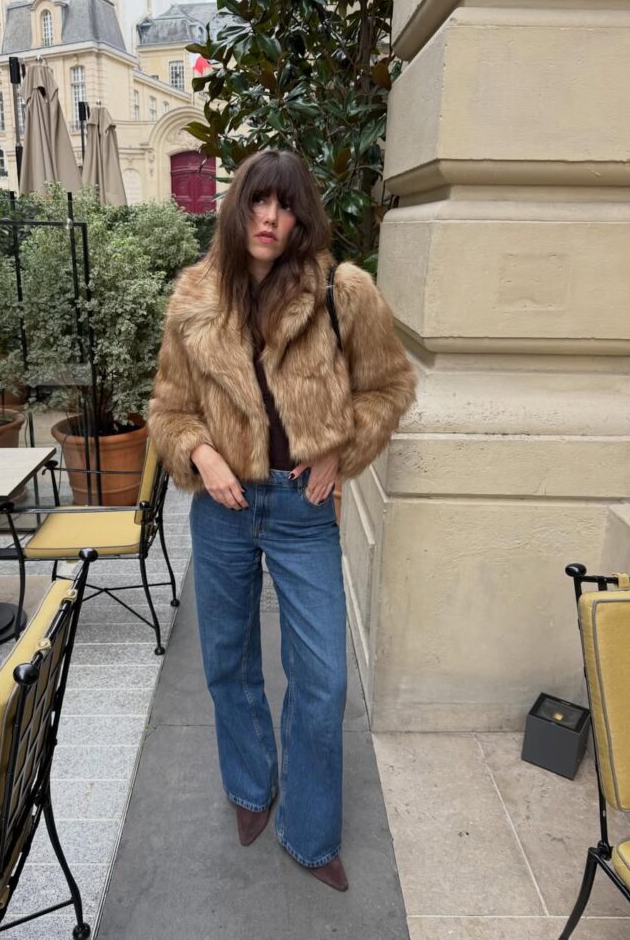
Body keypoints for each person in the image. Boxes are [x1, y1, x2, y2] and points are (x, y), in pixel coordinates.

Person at [148, 149, 416, 891]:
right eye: (258, 202)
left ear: (302, 216)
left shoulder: (342, 292)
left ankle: (311, 829)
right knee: (228, 664)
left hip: (302, 511)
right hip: (224, 513)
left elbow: (390, 388)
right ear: (237, 207)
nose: (270, 218)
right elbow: (168, 409)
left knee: (323, 679)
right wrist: (202, 455)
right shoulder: (196, 297)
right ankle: (249, 786)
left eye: (286, 205)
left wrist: (340, 453)